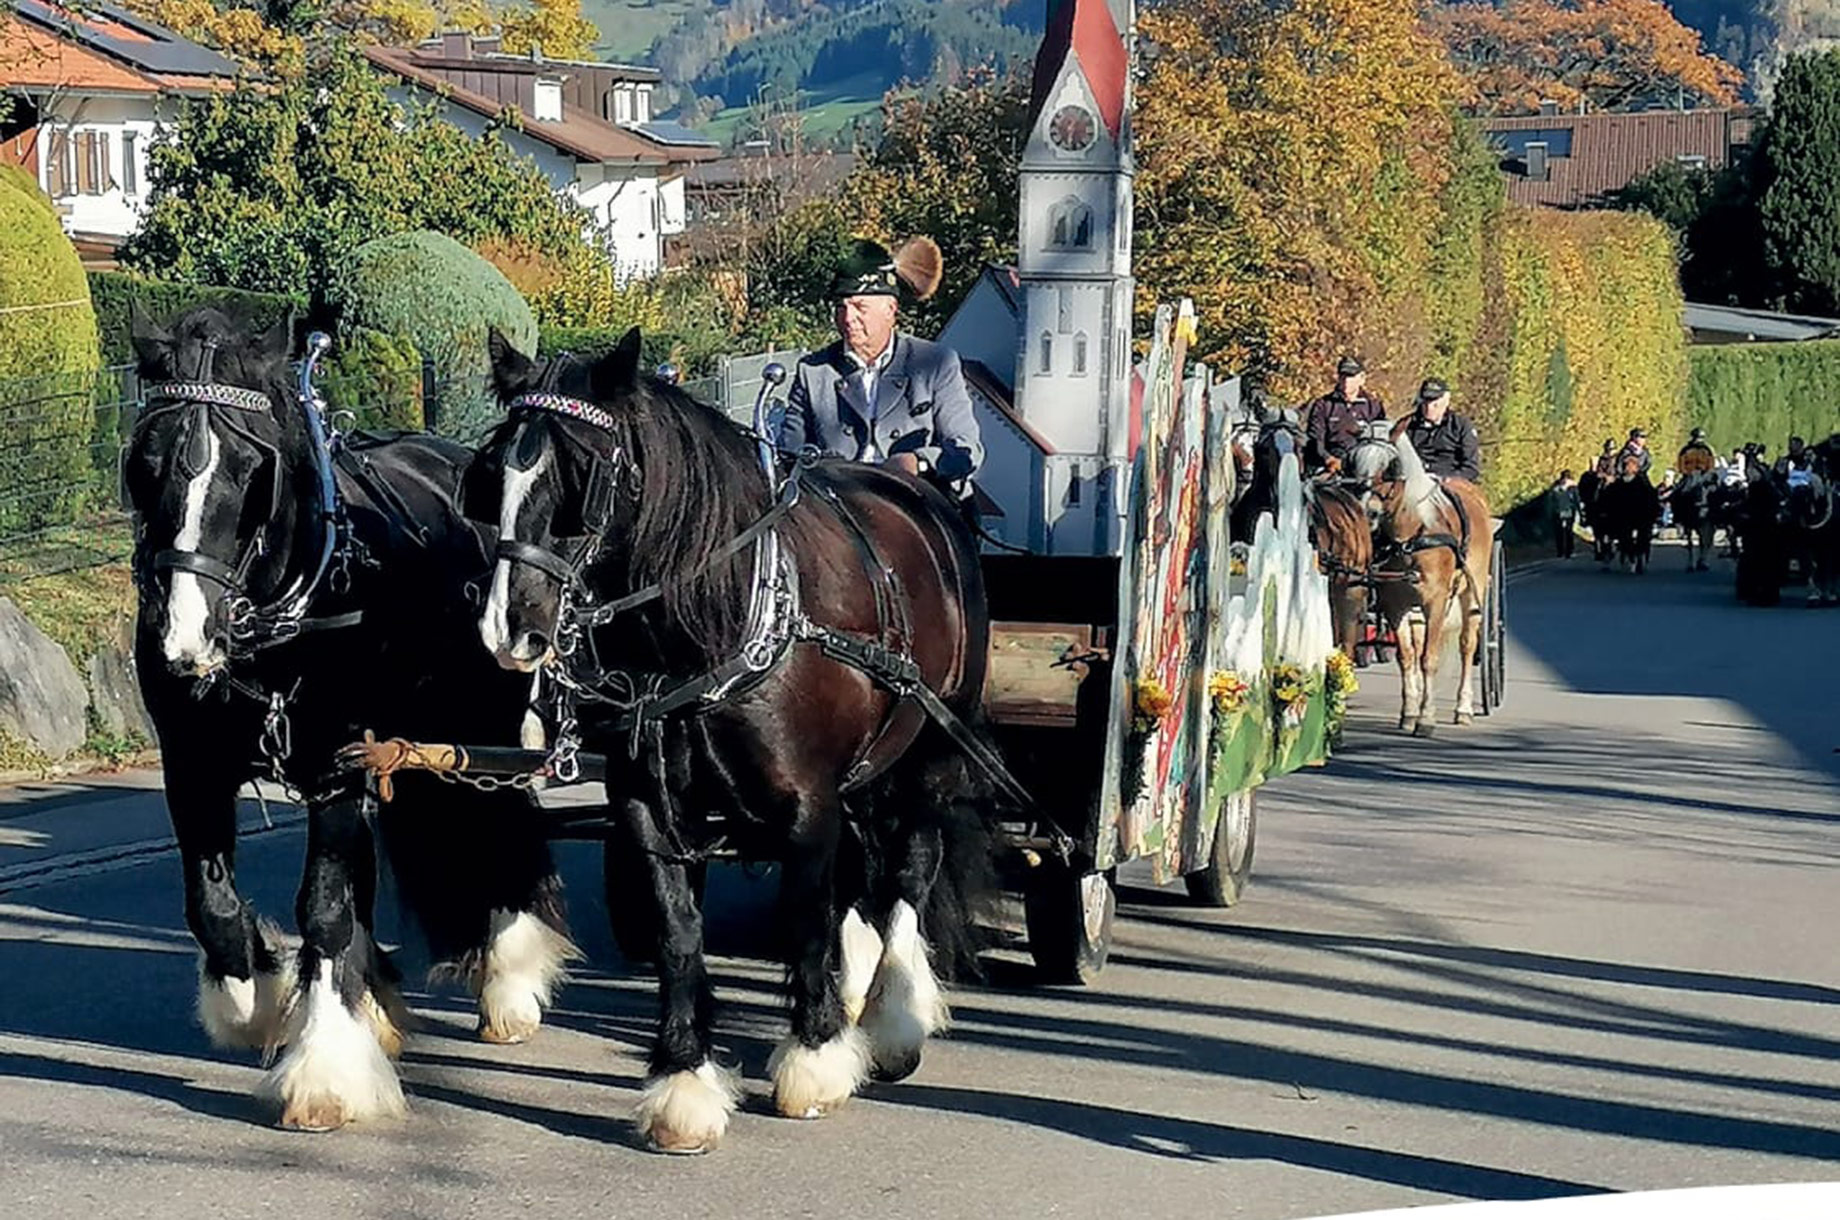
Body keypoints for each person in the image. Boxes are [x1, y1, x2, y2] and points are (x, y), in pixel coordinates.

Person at [778, 235, 984, 498]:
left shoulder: (934, 364)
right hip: (839, 506)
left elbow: (967, 450)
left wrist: (917, 462)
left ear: (890, 309)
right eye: (841, 307)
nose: (848, 318)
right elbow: (788, 455)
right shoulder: (813, 371)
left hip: (917, 503)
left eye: (859, 307)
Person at [1302, 355, 1387, 475]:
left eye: (1351, 376)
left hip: (1364, 464)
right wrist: (1328, 459)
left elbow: (1381, 440)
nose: (1346, 381)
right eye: (1342, 376)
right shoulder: (1323, 405)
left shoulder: (1374, 406)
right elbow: (1315, 439)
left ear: (1362, 378)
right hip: (1330, 465)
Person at [1394, 377, 1481, 483]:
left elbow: (1471, 469)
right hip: (1411, 482)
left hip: (1448, 484)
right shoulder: (1406, 425)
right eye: (1425, 402)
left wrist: (1445, 478)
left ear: (1446, 401)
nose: (1429, 407)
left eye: (1435, 403)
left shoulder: (1461, 426)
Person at [1548, 469, 1580, 558]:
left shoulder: (1557, 488)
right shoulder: (1571, 487)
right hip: (1565, 511)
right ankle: (1565, 551)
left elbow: (1551, 500)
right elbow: (1577, 500)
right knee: (1565, 532)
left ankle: (1564, 551)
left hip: (1562, 511)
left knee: (1563, 532)